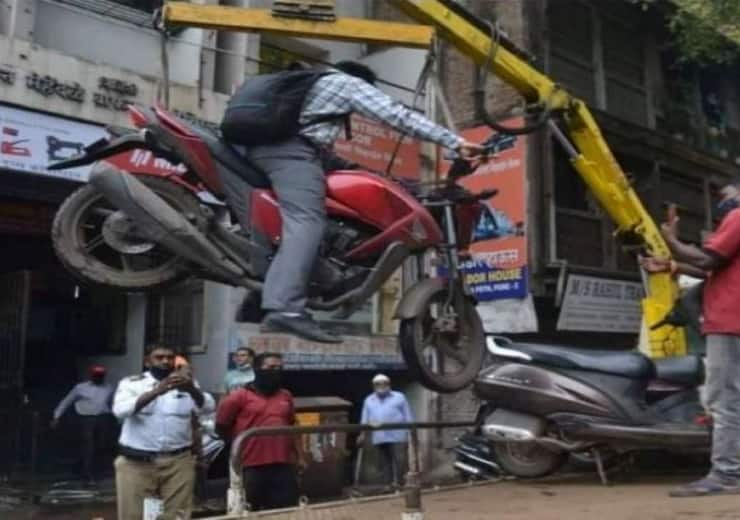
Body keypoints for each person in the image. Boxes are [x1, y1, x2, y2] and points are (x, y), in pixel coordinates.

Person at [221, 61, 483, 344]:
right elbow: (398, 115)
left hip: (251, 152)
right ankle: (285, 307)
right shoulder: (346, 84)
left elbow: (333, 162)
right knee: (307, 220)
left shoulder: (304, 93)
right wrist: (456, 142)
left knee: (292, 222)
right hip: (287, 154)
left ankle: (261, 295)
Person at [641, 179, 740, 497]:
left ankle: (727, 474)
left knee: (724, 400)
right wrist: (672, 265)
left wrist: (670, 240)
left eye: (726, 195)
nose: (722, 201)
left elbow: (707, 260)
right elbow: (717, 268)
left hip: (730, 320)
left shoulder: (738, 217)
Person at [112, 344, 215, 520]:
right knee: (133, 515)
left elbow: (208, 407)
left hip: (178, 462)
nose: (165, 361)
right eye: (159, 357)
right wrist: (157, 391)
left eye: (169, 357)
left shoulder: (187, 384)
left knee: (177, 515)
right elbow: (120, 411)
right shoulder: (131, 383)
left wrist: (191, 389)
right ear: (147, 361)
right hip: (136, 463)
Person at [216, 352, 306, 511]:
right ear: (257, 369)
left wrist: (300, 456)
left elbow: (293, 427)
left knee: (285, 511)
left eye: (279, 367)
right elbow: (222, 426)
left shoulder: (286, 396)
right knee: (250, 510)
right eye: (271, 367)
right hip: (251, 466)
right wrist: (239, 448)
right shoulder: (239, 396)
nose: (276, 370)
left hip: (283, 464)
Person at [51, 365, 114, 484]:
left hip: (103, 419)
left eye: (101, 375)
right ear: (91, 375)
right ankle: (87, 474)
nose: (99, 377)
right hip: (86, 419)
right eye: (96, 375)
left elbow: (112, 403)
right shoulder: (80, 388)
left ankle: (93, 470)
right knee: (88, 446)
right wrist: (56, 416)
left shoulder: (109, 388)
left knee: (102, 445)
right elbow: (66, 401)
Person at [359, 374, 413, 488]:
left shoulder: (399, 397)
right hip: (380, 436)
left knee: (400, 460)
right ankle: (388, 485)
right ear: (374, 386)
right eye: (378, 384)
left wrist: (411, 432)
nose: (381, 386)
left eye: (384, 383)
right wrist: (362, 434)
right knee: (384, 463)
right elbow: (365, 419)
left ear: (388, 384)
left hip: (398, 435)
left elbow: (408, 415)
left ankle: (400, 483)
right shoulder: (369, 400)